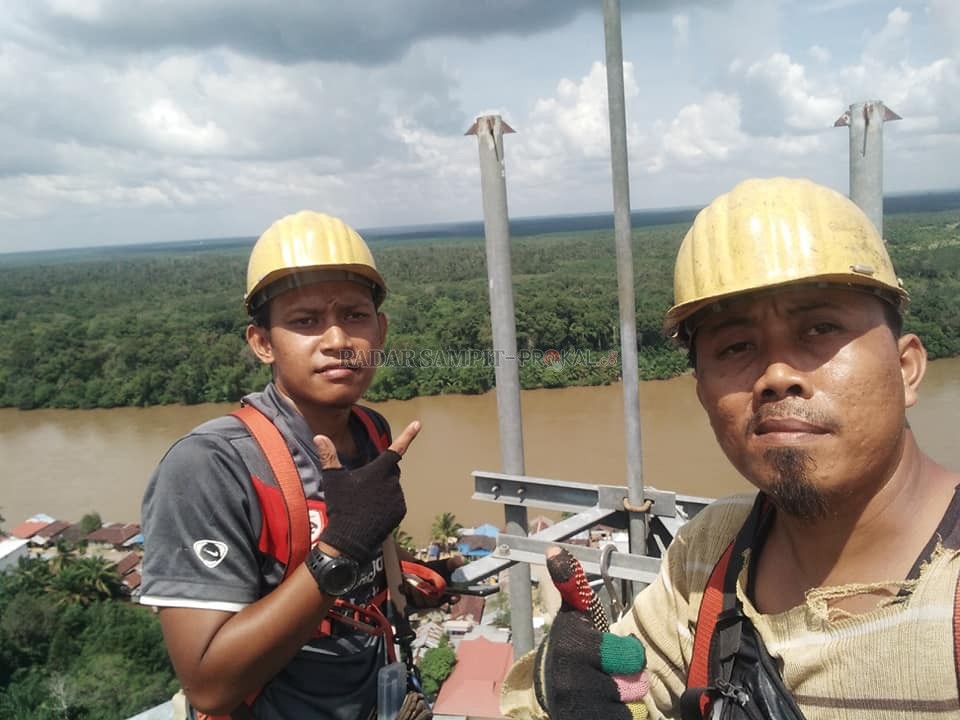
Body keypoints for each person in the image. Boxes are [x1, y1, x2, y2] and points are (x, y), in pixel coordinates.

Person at [501, 177, 960, 720]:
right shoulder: (713, 556)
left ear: (907, 369)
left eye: (820, 328)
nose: (778, 375)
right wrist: (572, 688)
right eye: (736, 346)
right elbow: (630, 688)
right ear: (702, 393)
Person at [141, 211, 445, 720]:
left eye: (355, 315)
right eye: (304, 321)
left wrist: (401, 575)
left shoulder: (372, 432)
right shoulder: (213, 466)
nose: (336, 340)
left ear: (381, 329)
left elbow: (349, 551)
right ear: (262, 343)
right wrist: (340, 549)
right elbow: (210, 686)